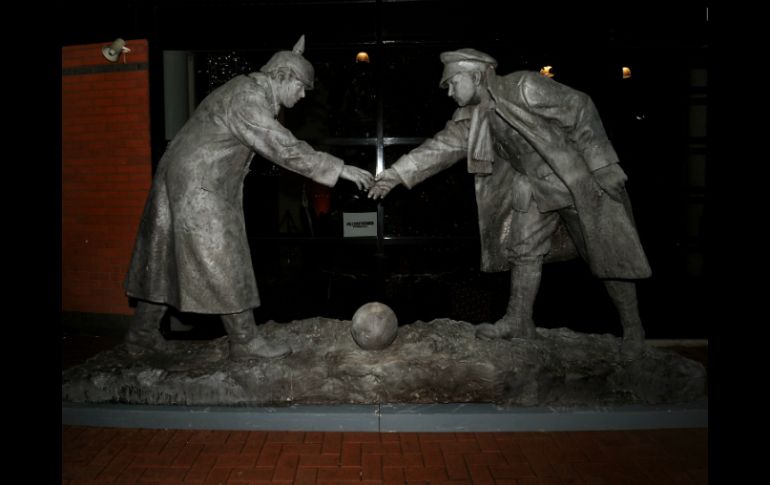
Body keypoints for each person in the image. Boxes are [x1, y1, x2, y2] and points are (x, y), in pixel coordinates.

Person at [368, 48, 650, 342]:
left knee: (606, 252)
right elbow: (442, 147)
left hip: (575, 182)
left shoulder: (524, 87)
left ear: (476, 76)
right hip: (532, 187)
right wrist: (396, 174)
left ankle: (633, 329)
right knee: (523, 250)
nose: (449, 91)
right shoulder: (474, 116)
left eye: (452, 83)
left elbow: (580, 108)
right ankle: (519, 321)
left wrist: (603, 164)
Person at [124, 36, 374, 360]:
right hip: (200, 183)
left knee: (164, 258)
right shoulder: (248, 96)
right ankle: (244, 341)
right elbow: (281, 145)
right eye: (301, 88)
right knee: (226, 255)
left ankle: (141, 336)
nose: (301, 97)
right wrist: (339, 169)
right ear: (283, 76)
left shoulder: (243, 90)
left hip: (179, 178)